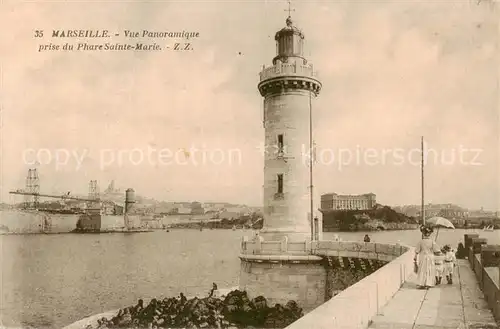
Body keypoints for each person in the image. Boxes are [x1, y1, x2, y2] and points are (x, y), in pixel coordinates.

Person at [414, 225, 441, 289]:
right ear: (429, 234)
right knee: (429, 269)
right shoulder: (432, 241)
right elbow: (437, 251)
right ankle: (428, 283)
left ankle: (422, 283)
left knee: (422, 270)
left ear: (423, 234)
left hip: (423, 257)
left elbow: (417, 251)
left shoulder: (420, 241)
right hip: (430, 257)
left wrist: (415, 258)